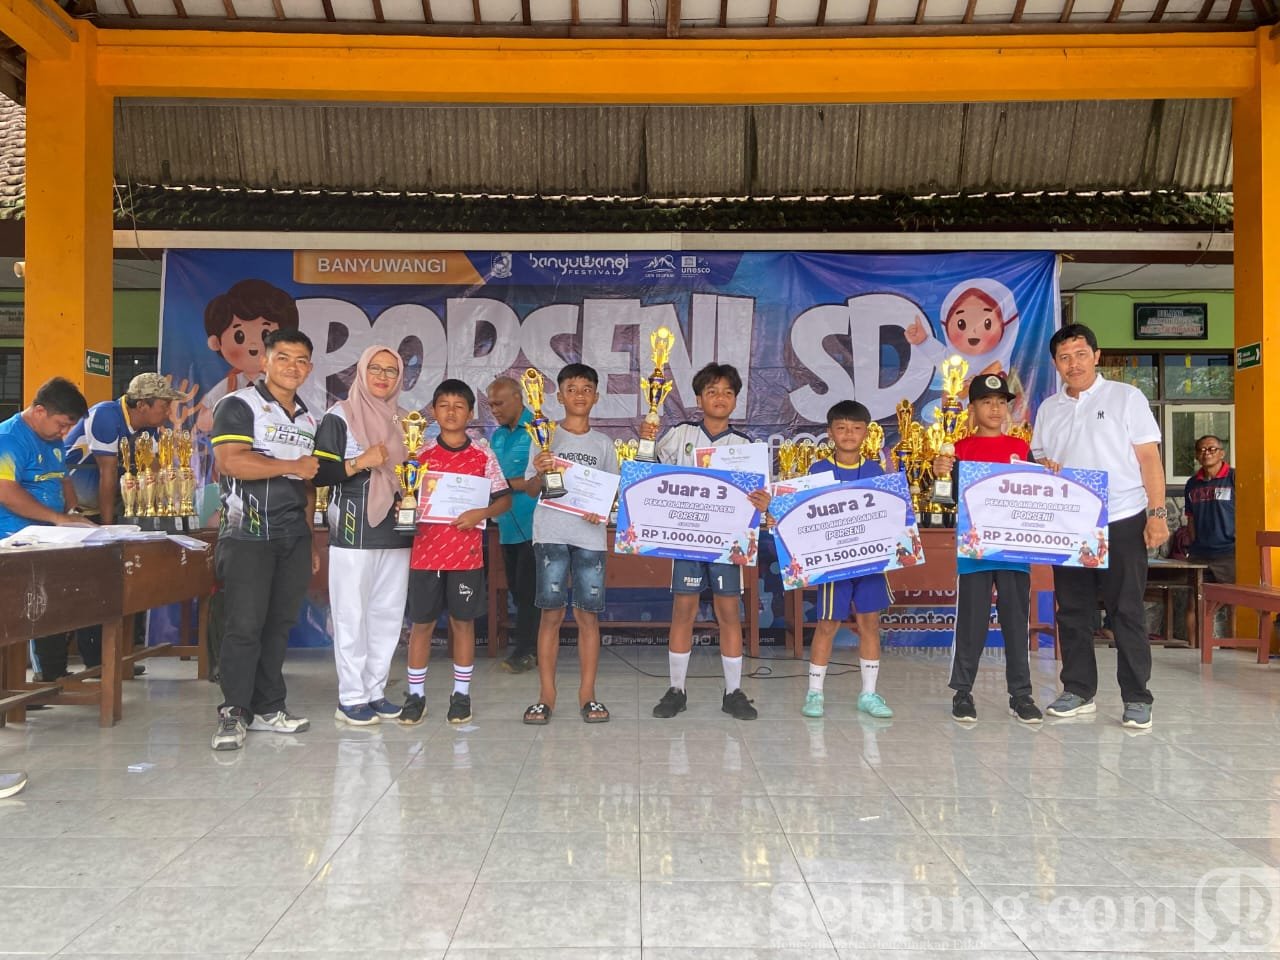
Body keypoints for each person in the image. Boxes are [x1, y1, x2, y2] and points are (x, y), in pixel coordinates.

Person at [1032, 323, 1168, 730]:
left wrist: (1157, 514)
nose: (1073, 364)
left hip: (1122, 517)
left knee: (1126, 610)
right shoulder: (1049, 408)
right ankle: (1078, 691)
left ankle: (1137, 696)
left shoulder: (1126, 397)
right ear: (1055, 363)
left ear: (1096, 355)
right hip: (1070, 524)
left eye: (1080, 354)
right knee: (1073, 611)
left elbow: (1149, 459)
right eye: (1064, 357)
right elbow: (1041, 460)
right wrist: (1044, 466)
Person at [638, 361, 772, 721]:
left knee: (729, 612)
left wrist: (764, 501)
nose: (720, 398)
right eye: (712, 391)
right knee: (684, 610)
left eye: (727, 392)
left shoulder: (746, 447)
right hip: (687, 540)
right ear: (699, 398)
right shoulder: (680, 434)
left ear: (736, 400)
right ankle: (676, 690)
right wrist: (646, 439)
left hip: (727, 543)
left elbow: (761, 497)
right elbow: (647, 471)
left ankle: (733, 692)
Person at [208, 329, 321, 751]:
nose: (293, 367)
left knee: (278, 625)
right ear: (265, 361)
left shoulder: (309, 419)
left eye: (301, 360)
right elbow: (231, 461)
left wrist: (309, 538)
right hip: (247, 533)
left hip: (293, 535)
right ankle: (234, 712)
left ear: (309, 368)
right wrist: (292, 465)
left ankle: (270, 707)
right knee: (244, 626)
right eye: (284, 357)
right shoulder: (239, 405)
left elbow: (309, 484)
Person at [399, 379, 510, 726]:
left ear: (471, 413)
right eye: (444, 405)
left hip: (466, 556)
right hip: (425, 555)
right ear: (433, 411)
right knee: (421, 626)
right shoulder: (418, 456)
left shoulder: (482, 455)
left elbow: (504, 500)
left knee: (463, 624)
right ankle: (415, 696)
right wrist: (404, 507)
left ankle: (461, 695)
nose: (451, 412)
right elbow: (403, 498)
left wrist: (481, 513)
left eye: (459, 406)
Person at [932, 373, 1041, 724]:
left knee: (1016, 625)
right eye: (986, 402)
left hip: (1015, 553)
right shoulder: (958, 450)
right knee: (971, 623)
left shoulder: (1021, 449)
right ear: (972, 409)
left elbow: (1039, 495)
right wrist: (939, 473)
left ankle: (1021, 695)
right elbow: (945, 500)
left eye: (1000, 402)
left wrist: (1050, 473)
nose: (994, 408)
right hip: (974, 553)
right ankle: (962, 693)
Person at [313, 346, 411, 725]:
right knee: (351, 614)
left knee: (387, 615)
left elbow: (411, 473)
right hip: (353, 527)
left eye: (391, 370)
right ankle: (351, 697)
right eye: (375, 369)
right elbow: (320, 473)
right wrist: (359, 462)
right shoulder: (339, 416)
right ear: (361, 372)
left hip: (396, 528)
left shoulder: (404, 419)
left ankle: (375, 691)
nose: (383, 377)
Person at [520, 363, 619, 725]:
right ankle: (545, 696)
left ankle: (587, 695)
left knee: (587, 616)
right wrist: (539, 470)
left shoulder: (603, 444)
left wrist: (601, 509)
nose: (579, 395)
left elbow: (610, 493)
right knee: (550, 615)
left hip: (590, 537)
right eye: (572, 389)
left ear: (597, 397)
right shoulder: (544, 436)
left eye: (586, 389)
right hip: (551, 534)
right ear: (559, 396)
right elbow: (530, 489)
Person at [800, 400, 894, 720]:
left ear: (866, 433)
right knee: (827, 624)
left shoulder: (875, 471)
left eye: (856, 428)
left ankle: (869, 693)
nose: (849, 434)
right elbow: (805, 516)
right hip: (833, 563)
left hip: (870, 562)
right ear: (830, 433)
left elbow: (887, 514)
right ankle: (815, 693)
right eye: (841, 428)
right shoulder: (817, 471)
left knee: (870, 623)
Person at [0, 378, 93, 681]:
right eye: (62, 425)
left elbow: (63, 478)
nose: (64, 433)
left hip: (51, 538)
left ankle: (53, 676)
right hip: (13, 542)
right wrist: (57, 518)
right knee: (32, 606)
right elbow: (5, 491)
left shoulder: (52, 438)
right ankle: (31, 680)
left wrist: (72, 512)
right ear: (39, 411)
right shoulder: (8, 438)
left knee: (58, 601)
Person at [64, 372, 187, 524]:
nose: (169, 412)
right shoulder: (105, 416)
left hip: (105, 504)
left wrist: (165, 509)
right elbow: (108, 473)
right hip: (74, 505)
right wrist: (108, 528)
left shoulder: (149, 426)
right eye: (165, 406)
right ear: (141, 405)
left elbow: (153, 468)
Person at [486, 376, 540, 674]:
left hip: (534, 524)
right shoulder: (496, 437)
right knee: (517, 592)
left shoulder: (538, 430)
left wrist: (504, 484)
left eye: (499, 404)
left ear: (518, 398)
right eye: (491, 405)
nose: (494, 410)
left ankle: (526, 651)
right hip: (505, 526)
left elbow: (540, 479)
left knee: (530, 592)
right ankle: (529, 647)